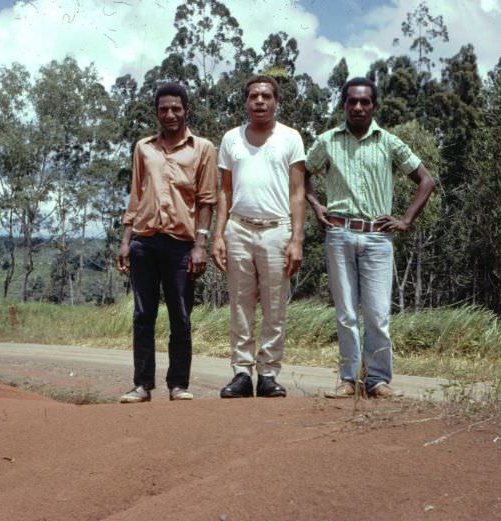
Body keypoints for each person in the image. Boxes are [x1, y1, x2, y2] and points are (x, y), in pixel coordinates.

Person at [305, 77, 435, 399]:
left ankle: (377, 380)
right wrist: (315, 204)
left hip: (377, 238)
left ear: (374, 106)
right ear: (344, 105)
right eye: (352, 101)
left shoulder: (389, 142)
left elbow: (426, 180)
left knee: (377, 314)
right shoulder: (328, 141)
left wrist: (405, 220)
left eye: (365, 102)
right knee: (346, 313)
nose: (358, 107)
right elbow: (302, 173)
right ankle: (348, 379)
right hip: (339, 234)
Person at [116, 83, 218, 403]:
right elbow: (136, 195)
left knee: (181, 316)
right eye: (164, 109)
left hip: (181, 245)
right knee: (143, 315)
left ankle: (178, 385)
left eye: (176, 108)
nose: (170, 114)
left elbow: (206, 201)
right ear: (157, 112)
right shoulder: (143, 148)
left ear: (187, 109)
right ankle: (142, 385)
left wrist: (201, 245)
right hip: (144, 242)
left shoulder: (202, 148)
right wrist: (125, 240)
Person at [211, 75, 306, 398]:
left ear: (276, 101)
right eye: (254, 96)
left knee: (274, 305)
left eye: (266, 96)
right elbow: (224, 190)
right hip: (238, 228)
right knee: (239, 304)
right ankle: (241, 372)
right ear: (246, 102)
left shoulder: (290, 138)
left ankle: (268, 374)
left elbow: (297, 192)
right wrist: (218, 236)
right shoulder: (230, 139)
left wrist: (297, 239)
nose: (260, 102)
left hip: (277, 230)